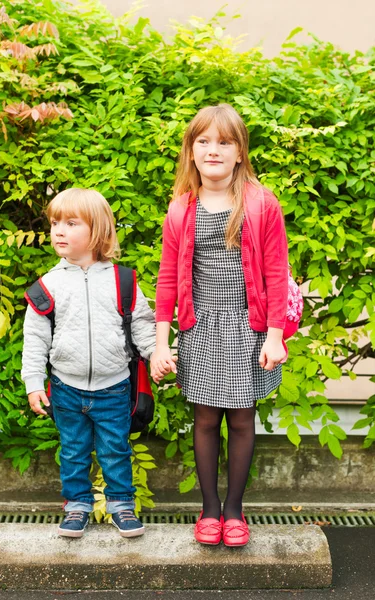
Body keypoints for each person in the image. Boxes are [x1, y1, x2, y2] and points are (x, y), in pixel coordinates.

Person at [151, 104, 288, 547]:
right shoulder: (180, 208)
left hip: (248, 328)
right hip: (201, 328)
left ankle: (235, 511)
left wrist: (274, 335)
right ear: (191, 151)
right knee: (206, 419)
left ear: (239, 151)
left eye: (224, 142)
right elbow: (168, 278)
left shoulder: (260, 202)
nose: (213, 149)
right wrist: (160, 343)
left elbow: (276, 272)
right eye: (204, 141)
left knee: (243, 419)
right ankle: (209, 510)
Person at [21, 188, 156, 538]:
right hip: (66, 386)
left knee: (115, 449)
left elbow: (140, 323)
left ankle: (122, 506)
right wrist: (34, 382)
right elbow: (35, 339)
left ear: (97, 231)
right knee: (74, 452)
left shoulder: (122, 280)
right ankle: (77, 506)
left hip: (113, 385)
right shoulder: (47, 286)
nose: (58, 231)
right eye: (54, 223)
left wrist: (157, 354)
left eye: (70, 223)